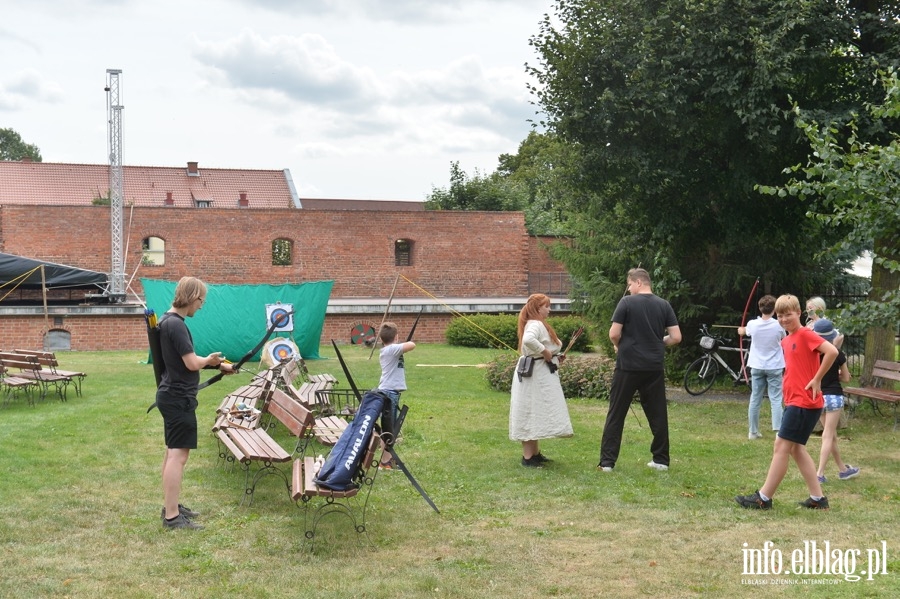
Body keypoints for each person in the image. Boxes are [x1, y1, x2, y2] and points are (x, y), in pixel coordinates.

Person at [736, 294, 838, 510]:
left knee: (781, 446)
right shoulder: (786, 339)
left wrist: (817, 378)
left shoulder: (805, 335)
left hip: (804, 403)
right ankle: (818, 499)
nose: (783, 319)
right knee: (796, 449)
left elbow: (832, 351)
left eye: (788, 314)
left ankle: (763, 498)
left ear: (799, 313)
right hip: (796, 401)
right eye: (780, 315)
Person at [157, 277, 234, 530]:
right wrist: (210, 360)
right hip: (178, 398)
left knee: (171, 453)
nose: (201, 306)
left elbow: (185, 361)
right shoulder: (176, 325)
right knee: (178, 456)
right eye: (201, 300)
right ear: (192, 297)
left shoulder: (168, 321)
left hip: (173, 396)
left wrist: (215, 364)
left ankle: (172, 506)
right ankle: (171, 517)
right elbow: (191, 363)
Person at [599, 268, 681, 472]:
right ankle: (661, 460)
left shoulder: (626, 302)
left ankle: (607, 463)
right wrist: (658, 341)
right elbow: (676, 337)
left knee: (616, 413)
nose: (628, 289)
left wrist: (619, 345)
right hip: (653, 367)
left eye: (629, 285)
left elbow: (614, 333)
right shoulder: (664, 305)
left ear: (637, 282)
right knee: (658, 414)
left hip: (628, 366)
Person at [509, 293, 573, 467]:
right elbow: (530, 340)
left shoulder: (537, 324)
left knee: (535, 410)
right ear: (538, 308)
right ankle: (528, 457)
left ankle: (535, 454)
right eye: (547, 306)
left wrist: (554, 356)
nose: (549, 309)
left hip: (538, 372)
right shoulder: (535, 324)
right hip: (534, 375)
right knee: (530, 410)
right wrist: (545, 352)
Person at [812, 318, 860, 483]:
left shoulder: (811, 352)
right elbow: (846, 378)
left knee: (831, 435)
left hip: (817, 395)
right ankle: (819, 473)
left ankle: (843, 469)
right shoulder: (838, 354)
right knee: (828, 435)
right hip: (833, 396)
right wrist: (837, 374)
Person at [737, 295, 785, 440]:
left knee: (755, 398)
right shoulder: (779, 325)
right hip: (774, 366)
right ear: (775, 309)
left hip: (757, 365)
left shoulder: (752, 324)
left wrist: (741, 329)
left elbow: (742, 331)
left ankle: (753, 432)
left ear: (760, 308)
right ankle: (779, 432)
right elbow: (784, 337)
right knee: (776, 399)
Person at [376, 321, 416, 469]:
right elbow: (412, 345)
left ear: (381, 339)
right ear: (396, 337)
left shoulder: (390, 350)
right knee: (389, 428)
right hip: (389, 393)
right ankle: (386, 462)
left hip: (389, 392)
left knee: (387, 426)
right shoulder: (390, 350)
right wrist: (405, 342)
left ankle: (386, 459)